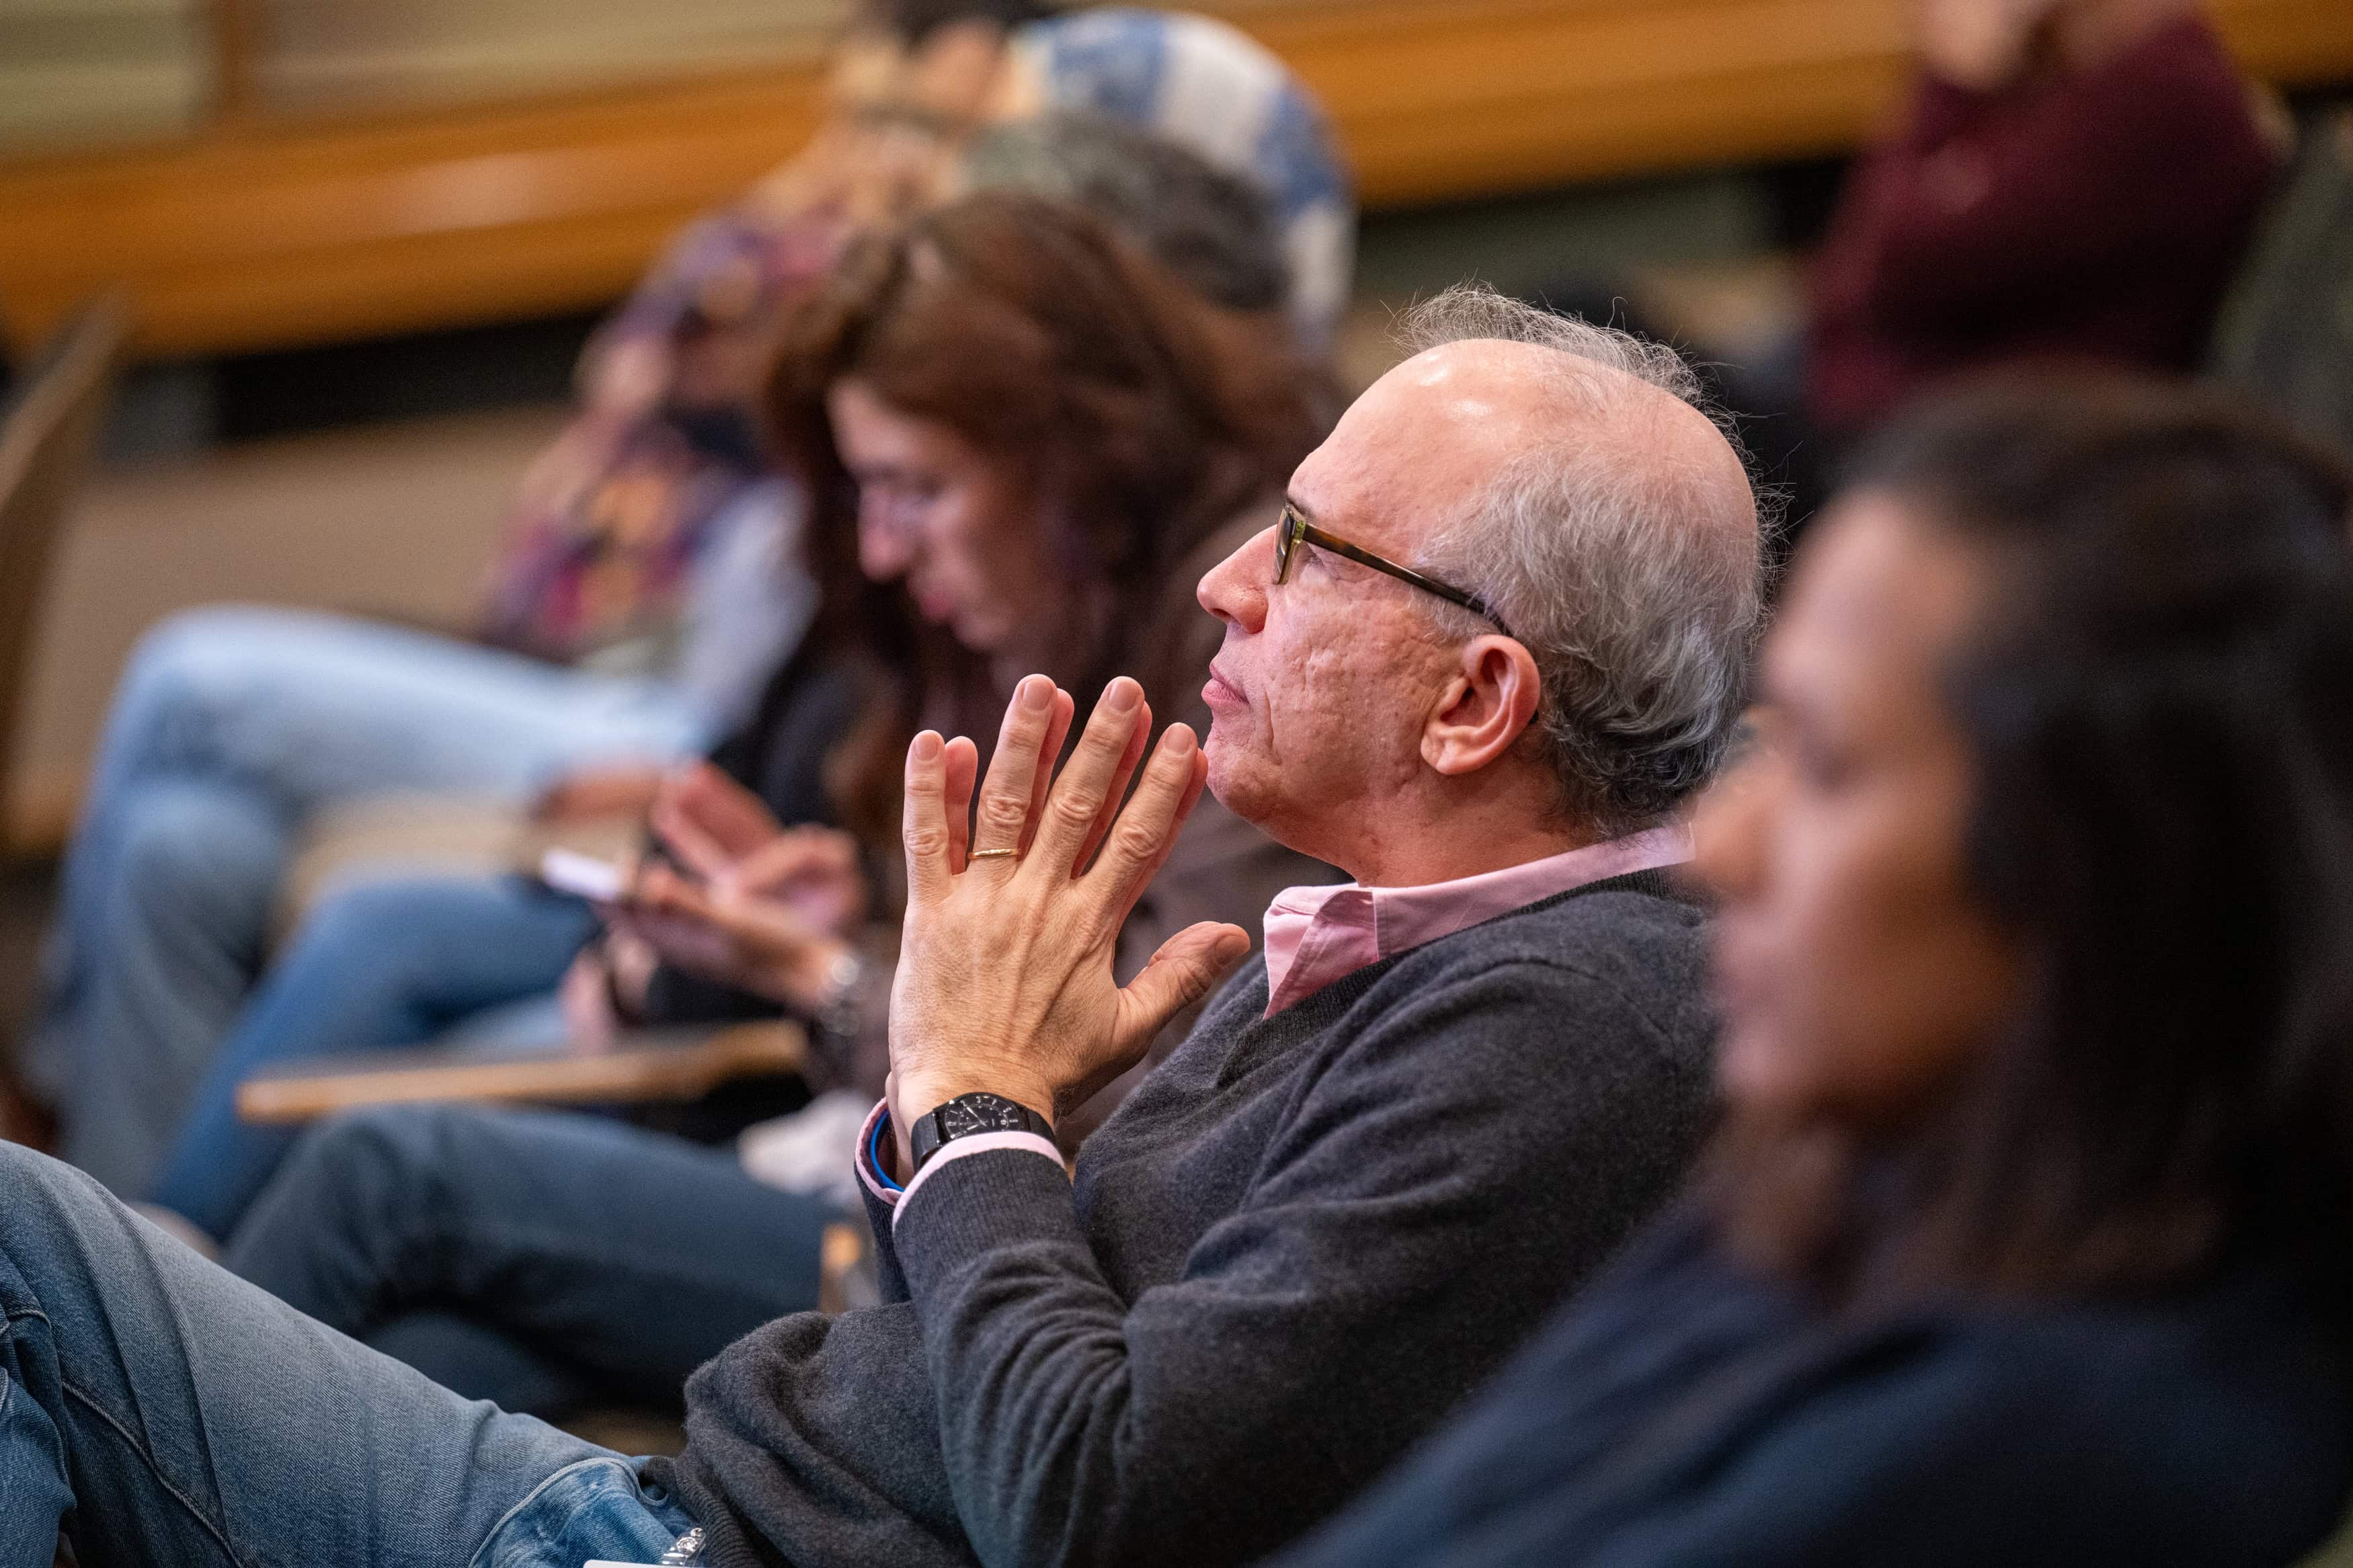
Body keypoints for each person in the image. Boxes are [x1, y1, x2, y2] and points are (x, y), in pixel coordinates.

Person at [0, 282, 1761, 1566]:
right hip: (711, 1494)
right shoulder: (1405, 932)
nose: (1228, 581)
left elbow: (1092, 1501)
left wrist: (976, 1097)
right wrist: (980, 1104)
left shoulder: (1562, 1029)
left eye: (1305, 549)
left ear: (1473, 700)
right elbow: (994, 1304)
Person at [25, 0, 1353, 1197]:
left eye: (941, 143)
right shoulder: (968, 499)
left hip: (902, 1154)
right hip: (781, 927)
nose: (913, 182)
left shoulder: (1138, 544)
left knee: (369, 1107)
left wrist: (814, 964)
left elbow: (1131, 1058)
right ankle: (106, 1295)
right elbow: (888, 855)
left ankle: (98, 1308)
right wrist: (808, 925)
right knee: (184, 849)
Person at [1260, 379, 2353, 1567]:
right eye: (1768, 739)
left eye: (1825, 766)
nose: (1724, 846)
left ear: (2104, 865)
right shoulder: (1850, 1180)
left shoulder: (2066, 1453)